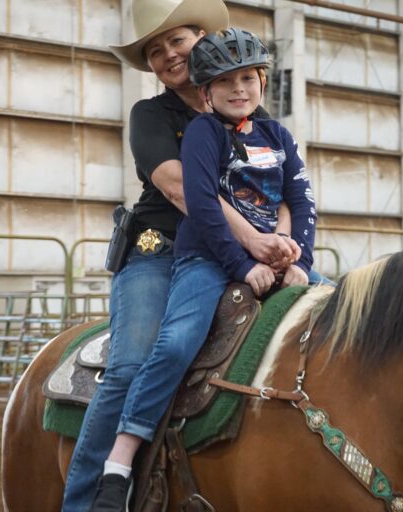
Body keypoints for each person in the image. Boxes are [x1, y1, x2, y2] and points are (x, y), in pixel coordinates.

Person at [61, 1, 302, 510]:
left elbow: (286, 190)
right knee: (131, 363)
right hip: (161, 252)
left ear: (203, 38)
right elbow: (178, 189)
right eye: (155, 49)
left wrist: (285, 244)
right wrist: (253, 244)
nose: (169, 53)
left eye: (178, 40)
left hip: (234, 256)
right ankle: (89, 498)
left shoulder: (255, 120)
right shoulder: (151, 115)